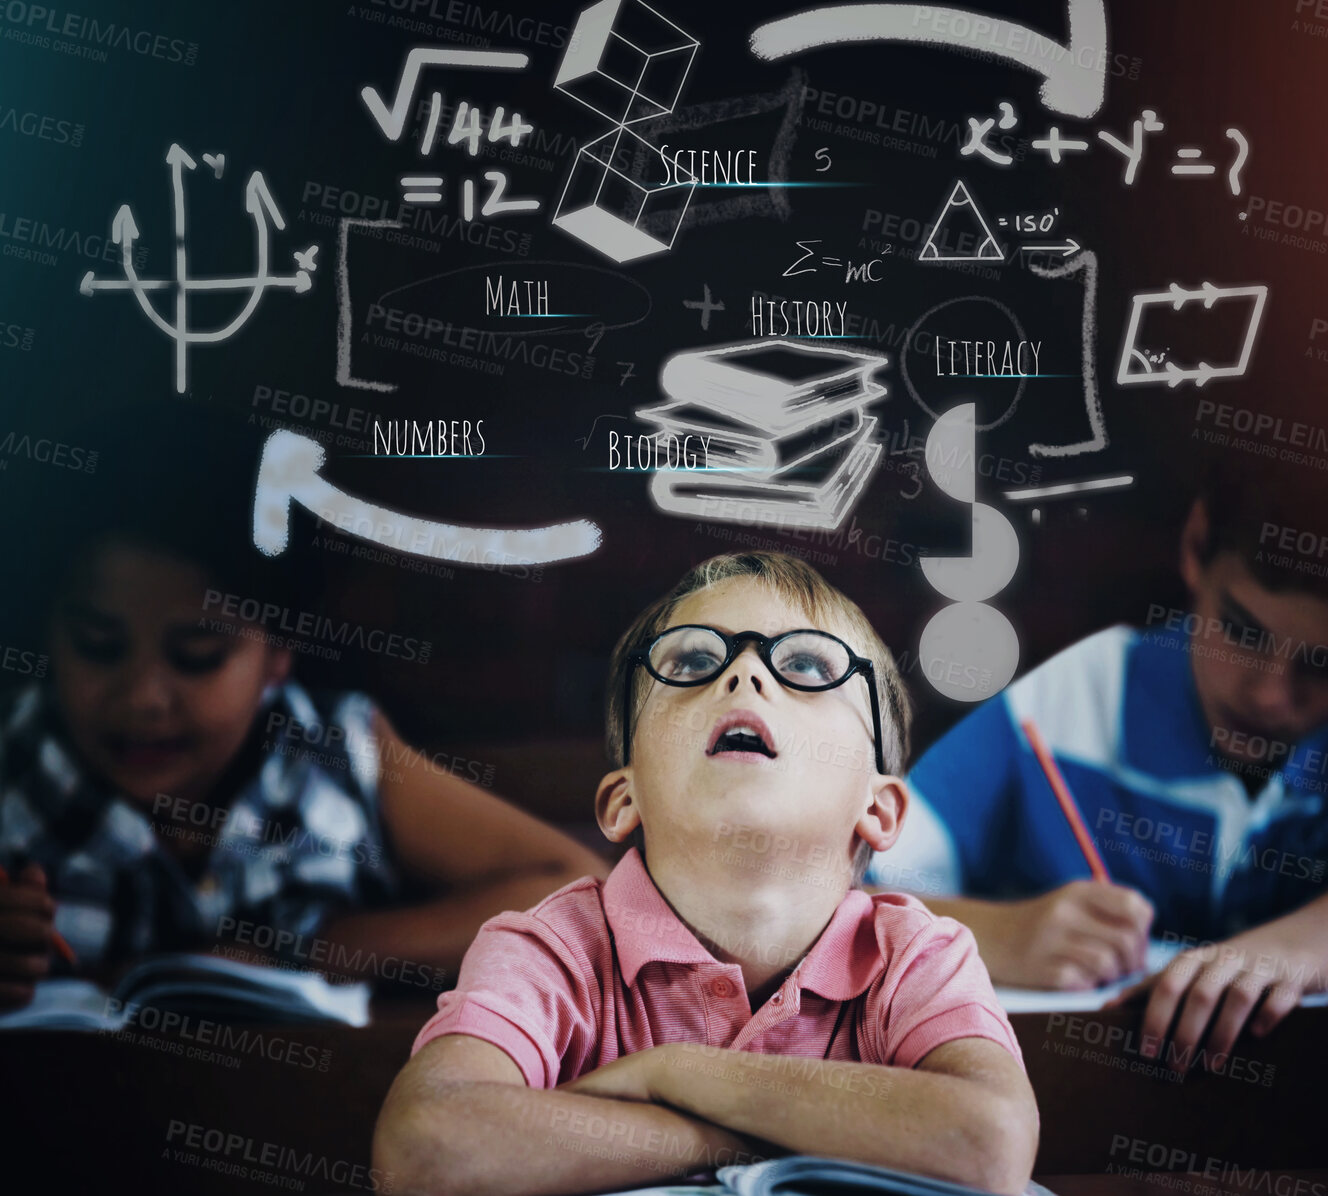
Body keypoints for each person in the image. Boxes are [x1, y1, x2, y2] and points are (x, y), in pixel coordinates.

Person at [374, 552, 1038, 1196]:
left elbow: (990, 1143)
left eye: (805, 664)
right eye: (693, 661)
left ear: (879, 808)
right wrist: (745, 1134)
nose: (745, 672)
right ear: (622, 799)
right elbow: (426, 1151)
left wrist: (673, 1072)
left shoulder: (916, 955)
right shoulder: (552, 948)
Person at [0, 405, 607, 1008]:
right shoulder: (16, 764)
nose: (141, 699)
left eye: (198, 656)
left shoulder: (336, 749)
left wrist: (315, 951)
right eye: (97, 648)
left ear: (278, 654)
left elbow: (577, 888)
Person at [872, 453, 1328, 1073]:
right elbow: (843, 893)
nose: (1268, 695)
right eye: (1243, 631)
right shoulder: (1062, 702)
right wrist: (996, 933)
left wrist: (1276, 959)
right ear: (1197, 546)